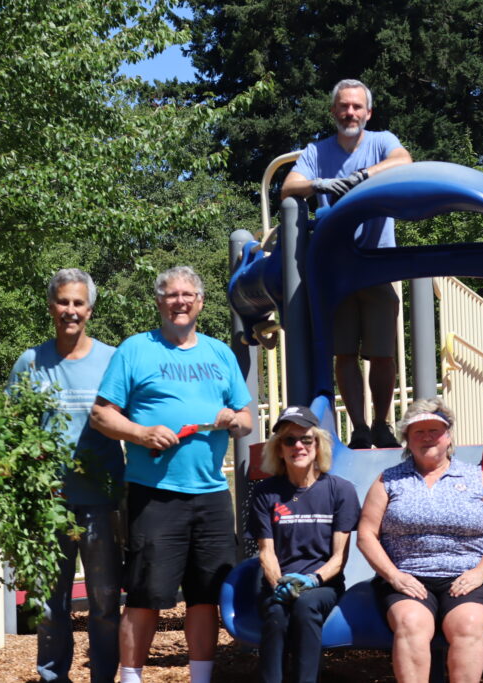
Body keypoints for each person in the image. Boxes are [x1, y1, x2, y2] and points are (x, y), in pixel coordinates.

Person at [90, 266, 254, 683]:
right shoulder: (135, 349)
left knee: (205, 597)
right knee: (145, 595)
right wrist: (140, 433)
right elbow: (101, 415)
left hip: (213, 494)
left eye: (188, 295)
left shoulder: (219, 353)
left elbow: (247, 418)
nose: (180, 302)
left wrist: (234, 419)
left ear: (200, 302)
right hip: (154, 493)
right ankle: (131, 678)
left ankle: (200, 678)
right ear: (159, 302)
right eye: (171, 295)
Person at [282, 78, 413, 450]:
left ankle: (383, 423)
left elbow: (404, 161)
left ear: (368, 113)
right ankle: (358, 427)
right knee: (344, 353)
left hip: (376, 263)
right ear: (333, 112)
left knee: (383, 353)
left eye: (357, 107)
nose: (350, 113)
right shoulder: (317, 151)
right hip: (336, 266)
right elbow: (289, 187)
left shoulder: (381, 141)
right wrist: (321, 184)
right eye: (344, 107)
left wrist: (360, 178)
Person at [9, 269, 124, 683]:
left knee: (105, 601)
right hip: (48, 501)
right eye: (63, 302)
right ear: (50, 306)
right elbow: (11, 427)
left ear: (90, 310)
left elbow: (133, 418)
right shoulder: (31, 361)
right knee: (49, 602)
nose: (70, 311)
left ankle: (104, 678)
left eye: (78, 303)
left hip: (101, 499)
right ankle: (52, 676)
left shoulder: (113, 359)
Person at [357, 398, 483, 683]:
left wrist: (479, 573)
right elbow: (366, 535)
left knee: (467, 626)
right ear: (407, 438)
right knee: (411, 624)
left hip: (466, 578)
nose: (427, 437)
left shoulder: (476, 477)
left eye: (435, 430)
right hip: (409, 578)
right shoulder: (389, 480)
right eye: (419, 431)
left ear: (448, 435)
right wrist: (394, 576)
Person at [248, 405, 361, 683]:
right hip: (278, 584)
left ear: (318, 444)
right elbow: (266, 553)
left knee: (306, 605)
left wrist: (311, 580)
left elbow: (339, 558)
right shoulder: (265, 492)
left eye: (306, 439)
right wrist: (279, 585)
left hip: (322, 584)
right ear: (279, 449)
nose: (298, 446)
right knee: (275, 613)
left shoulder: (340, 489)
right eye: (289, 440)